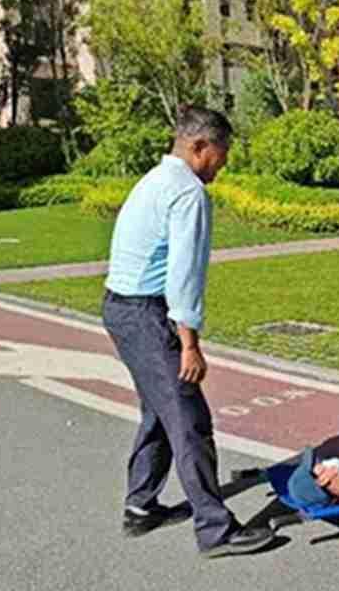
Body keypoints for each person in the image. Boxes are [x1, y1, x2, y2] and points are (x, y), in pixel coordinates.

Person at [102, 105, 273, 558]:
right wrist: (189, 344)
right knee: (189, 419)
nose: (225, 163)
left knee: (160, 410)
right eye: (223, 152)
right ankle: (215, 530)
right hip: (146, 314)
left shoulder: (155, 179)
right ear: (200, 147)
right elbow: (184, 275)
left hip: (120, 308)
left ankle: (140, 506)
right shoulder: (188, 193)